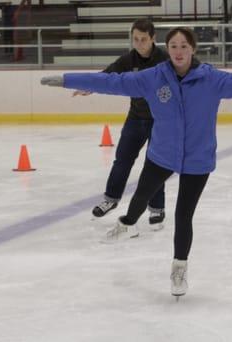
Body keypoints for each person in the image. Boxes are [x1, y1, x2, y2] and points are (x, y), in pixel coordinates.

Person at [41, 27, 232, 297]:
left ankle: (179, 267)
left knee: (183, 215)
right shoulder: (153, 78)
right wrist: (67, 79)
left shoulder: (212, 80)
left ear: (193, 49)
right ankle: (127, 223)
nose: (178, 51)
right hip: (163, 152)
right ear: (168, 49)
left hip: (198, 158)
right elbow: (112, 82)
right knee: (142, 194)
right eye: (173, 46)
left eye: (183, 46)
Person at [76, 19, 169, 229]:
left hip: (161, 121)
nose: (139, 43)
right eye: (135, 39)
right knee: (122, 160)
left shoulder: (165, 59)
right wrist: (88, 86)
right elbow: (107, 76)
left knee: (155, 166)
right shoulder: (129, 59)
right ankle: (111, 198)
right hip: (136, 117)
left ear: (153, 38)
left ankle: (157, 208)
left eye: (143, 39)